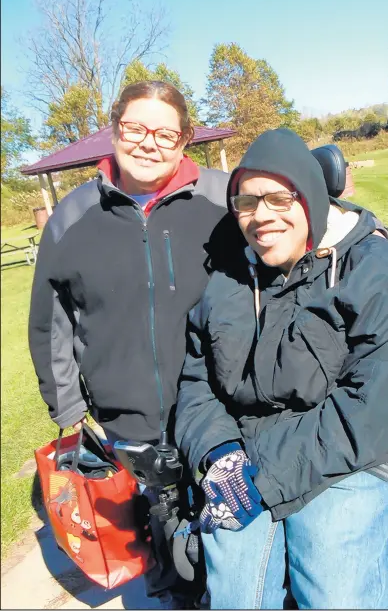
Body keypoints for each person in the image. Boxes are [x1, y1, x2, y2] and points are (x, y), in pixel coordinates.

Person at [175, 128, 388, 609]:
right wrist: (218, 452)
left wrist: (262, 474)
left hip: (348, 459)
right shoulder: (228, 279)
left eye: (279, 197)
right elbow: (198, 380)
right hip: (242, 455)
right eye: (247, 202)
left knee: (335, 591)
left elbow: (370, 413)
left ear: (312, 196)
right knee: (235, 597)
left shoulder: (380, 274)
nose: (261, 216)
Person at [28, 80, 229, 608]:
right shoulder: (72, 218)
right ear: (114, 129)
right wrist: (67, 405)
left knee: (228, 542)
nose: (148, 143)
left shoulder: (222, 199)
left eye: (165, 132)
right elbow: (52, 321)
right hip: (125, 423)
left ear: (185, 138)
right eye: (135, 127)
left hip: (217, 411)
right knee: (158, 551)